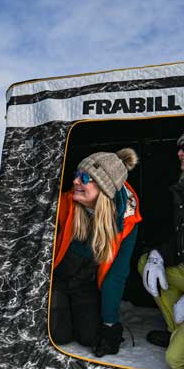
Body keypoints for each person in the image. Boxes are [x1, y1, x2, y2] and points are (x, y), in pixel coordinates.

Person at [50, 148, 141, 357]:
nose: (75, 182)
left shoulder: (127, 220)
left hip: (84, 283)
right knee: (58, 335)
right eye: (77, 176)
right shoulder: (63, 205)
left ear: (104, 188)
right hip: (57, 281)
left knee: (89, 337)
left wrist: (110, 324)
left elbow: (116, 274)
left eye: (84, 178)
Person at [138, 123, 184, 369]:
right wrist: (158, 256)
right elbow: (181, 242)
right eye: (178, 148)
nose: (180, 153)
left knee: (176, 361)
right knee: (146, 262)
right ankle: (176, 332)